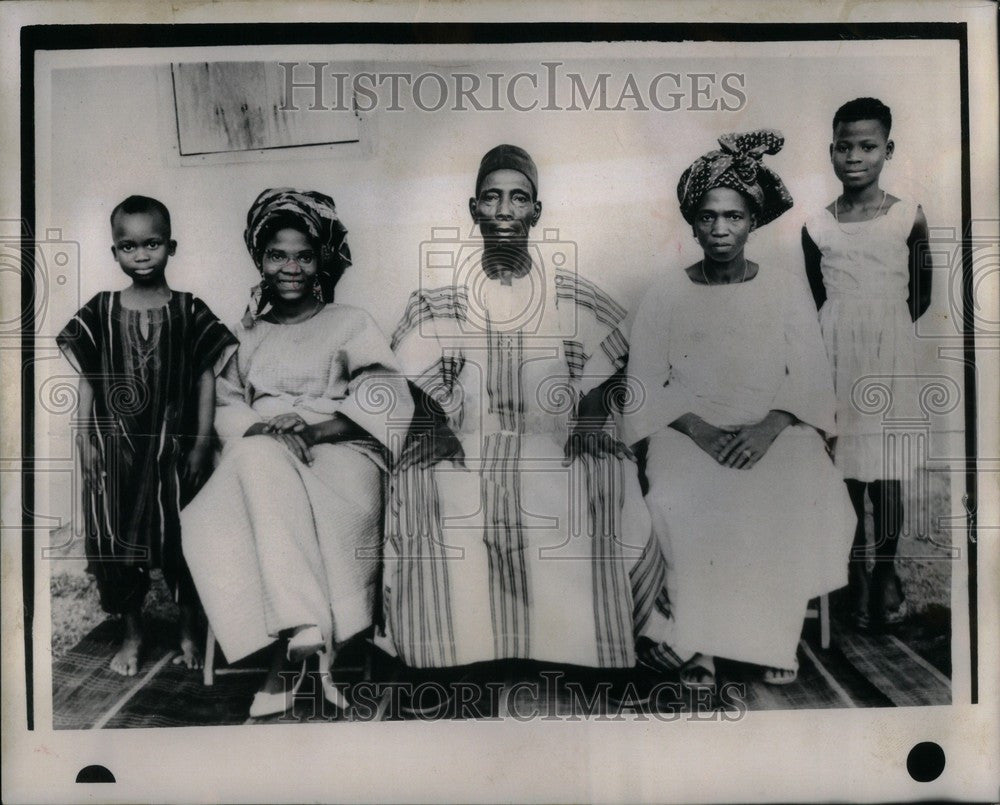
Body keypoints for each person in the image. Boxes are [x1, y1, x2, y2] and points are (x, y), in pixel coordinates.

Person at [385, 144, 674, 673]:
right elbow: (417, 382)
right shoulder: (442, 298)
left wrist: (588, 425)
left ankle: (579, 648)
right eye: (491, 198)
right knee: (432, 483)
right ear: (474, 209)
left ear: (535, 212)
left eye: (518, 198)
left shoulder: (569, 295)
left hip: (550, 441)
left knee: (597, 477)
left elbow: (616, 368)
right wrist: (435, 429)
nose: (503, 210)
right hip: (468, 441)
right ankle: (457, 650)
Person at [625, 131, 856, 689]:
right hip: (687, 428)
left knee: (793, 489)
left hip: (773, 425)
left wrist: (771, 427)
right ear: (693, 222)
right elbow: (641, 386)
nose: (721, 230)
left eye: (734, 216)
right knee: (684, 497)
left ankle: (775, 639)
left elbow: (807, 377)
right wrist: (698, 430)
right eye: (709, 217)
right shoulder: (665, 293)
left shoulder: (782, 289)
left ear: (753, 221)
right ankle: (699, 644)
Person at [181, 188, 413, 718]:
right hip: (264, 448)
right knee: (258, 459)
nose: (291, 267)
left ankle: (290, 655)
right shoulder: (245, 334)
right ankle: (306, 634)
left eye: (304, 255)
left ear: (321, 261)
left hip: (341, 451)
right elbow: (226, 406)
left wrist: (309, 432)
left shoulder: (351, 322)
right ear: (260, 260)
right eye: (277, 254)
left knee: (261, 468)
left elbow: (385, 401)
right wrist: (265, 427)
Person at [56, 195, 237, 677]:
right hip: (115, 447)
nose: (141, 255)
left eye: (151, 244)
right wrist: (84, 439)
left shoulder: (188, 309)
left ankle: (187, 628)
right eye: (128, 246)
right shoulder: (101, 309)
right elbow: (89, 379)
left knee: (183, 537)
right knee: (115, 538)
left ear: (170, 246)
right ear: (114, 251)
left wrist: (201, 441)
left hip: (174, 448)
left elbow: (205, 376)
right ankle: (132, 632)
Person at [802, 98, 932, 630]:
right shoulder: (816, 224)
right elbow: (816, 297)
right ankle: (854, 571)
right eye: (844, 146)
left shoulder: (908, 215)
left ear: (888, 150)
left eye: (867, 146)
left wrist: (884, 331)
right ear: (831, 150)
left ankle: (886, 571)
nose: (854, 156)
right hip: (837, 354)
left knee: (887, 471)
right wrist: (845, 331)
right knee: (846, 472)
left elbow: (921, 293)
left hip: (889, 352)